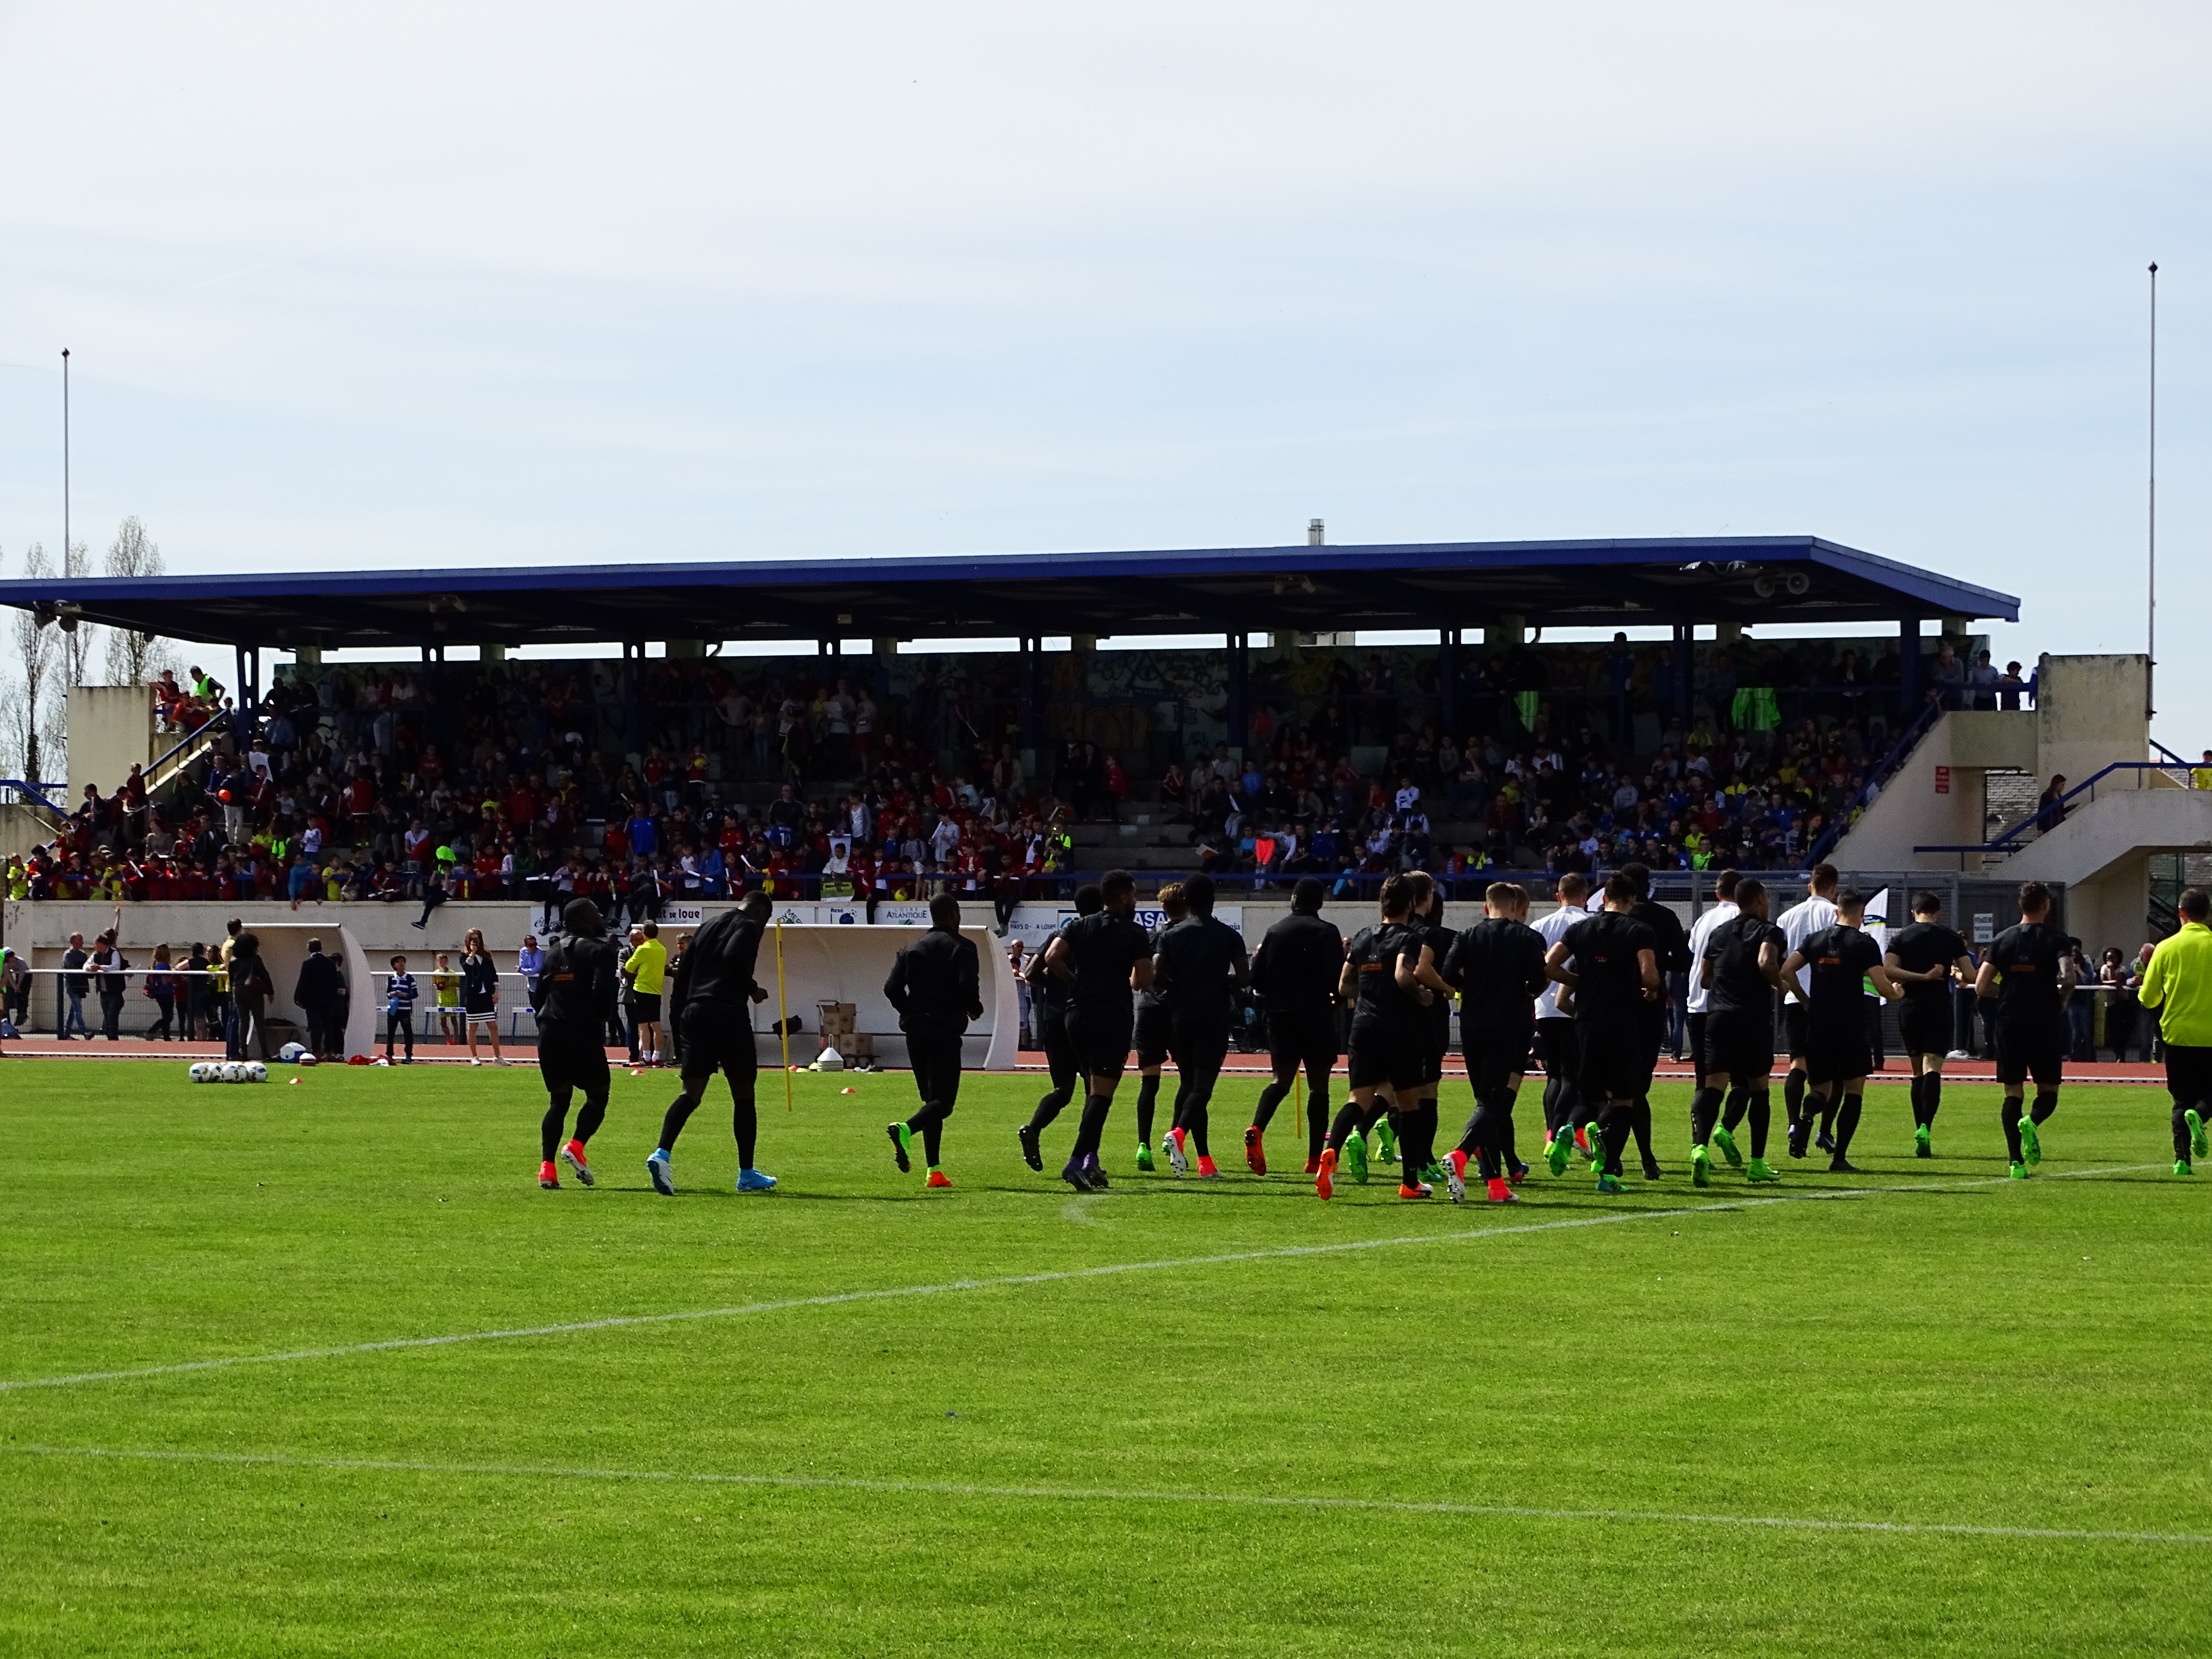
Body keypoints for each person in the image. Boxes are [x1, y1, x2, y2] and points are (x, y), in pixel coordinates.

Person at [647, 890, 778, 1195]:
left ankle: (662, 1154)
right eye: (766, 921)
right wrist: (752, 989)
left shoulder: (708, 926)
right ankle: (747, 1175)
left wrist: (680, 1016)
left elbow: (684, 973)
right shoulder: (747, 926)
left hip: (694, 1012)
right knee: (744, 1093)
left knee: (690, 1093)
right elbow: (733, 956)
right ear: (761, 912)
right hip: (727, 1012)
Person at [1039, 868, 1155, 1192]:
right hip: (1111, 1015)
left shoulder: (1078, 926)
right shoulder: (1134, 933)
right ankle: (1077, 1161)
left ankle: (1091, 1162)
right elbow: (1143, 979)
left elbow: (1052, 958)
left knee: (1094, 1092)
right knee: (1101, 1095)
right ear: (1122, 897)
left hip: (1076, 1014)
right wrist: (1129, 979)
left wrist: (1075, 982)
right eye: (1133, 894)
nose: (1136, 900)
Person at [1545, 873, 1660, 1194]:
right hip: (1621, 1022)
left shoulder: (1581, 928)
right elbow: (1650, 977)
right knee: (1624, 1100)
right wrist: (1648, 991)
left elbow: (1551, 966)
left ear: (1603, 898)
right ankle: (1608, 1176)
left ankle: (1569, 1128)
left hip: (1585, 1023)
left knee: (1589, 1097)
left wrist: (1584, 984)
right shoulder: (1639, 931)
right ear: (1632, 900)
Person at [1316, 874, 1429, 1201]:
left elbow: (1344, 985)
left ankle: (1331, 1151)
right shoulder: (1410, 938)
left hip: (1364, 1027)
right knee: (1408, 1104)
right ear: (1410, 904)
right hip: (1399, 1027)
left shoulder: (1364, 937)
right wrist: (1420, 995)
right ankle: (1410, 1183)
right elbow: (1402, 975)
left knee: (1357, 1099)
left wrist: (1368, 993)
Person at [1781, 887, 1908, 1173]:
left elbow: (1787, 970)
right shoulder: (1864, 944)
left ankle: (1805, 1118)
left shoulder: (1815, 940)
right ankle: (1839, 1158)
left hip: (1819, 1023)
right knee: (1854, 1089)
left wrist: (1805, 1000)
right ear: (1861, 915)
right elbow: (1881, 984)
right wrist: (1897, 994)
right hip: (1850, 1024)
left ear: (1837, 912)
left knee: (1820, 1088)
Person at [1440, 881, 1548, 1204]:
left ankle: (1496, 1183)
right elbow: (1539, 979)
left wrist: (1469, 986)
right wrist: (1525, 993)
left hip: (1473, 1025)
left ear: (1487, 907)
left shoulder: (1468, 935)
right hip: (1509, 1026)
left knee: (1484, 1101)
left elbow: (1448, 974)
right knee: (1493, 1103)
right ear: (1515, 907)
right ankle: (1460, 1154)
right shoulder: (1527, 938)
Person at [1975, 880, 2077, 1179]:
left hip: (2009, 1023)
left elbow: (1982, 986)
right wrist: (2059, 1001)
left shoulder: (2003, 940)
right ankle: (2032, 1122)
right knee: (2048, 1089)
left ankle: (2015, 1162)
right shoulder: (2057, 939)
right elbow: (2068, 977)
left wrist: (2007, 995)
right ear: (2046, 905)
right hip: (2043, 1020)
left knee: (2012, 1092)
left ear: (2021, 906)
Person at [1150, 873, 1249, 1180]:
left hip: (1180, 1015)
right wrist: (1222, 983)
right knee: (1203, 1088)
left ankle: (1205, 1160)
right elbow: (1245, 978)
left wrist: (1179, 985)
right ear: (1214, 900)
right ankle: (1179, 1133)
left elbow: (1156, 976)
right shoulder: (1228, 936)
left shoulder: (1171, 936)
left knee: (1190, 1084)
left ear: (1187, 901)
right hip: (1214, 1015)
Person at [1691, 877, 1789, 1185]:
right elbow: (1765, 961)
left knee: (1713, 1087)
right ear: (1760, 899)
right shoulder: (1769, 931)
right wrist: (1779, 984)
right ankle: (1757, 1162)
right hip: (1752, 1018)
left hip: (1719, 1016)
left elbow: (1705, 978)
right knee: (1759, 1089)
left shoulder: (1719, 933)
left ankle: (1700, 1149)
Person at [883, 892, 983, 1189]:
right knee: (944, 1103)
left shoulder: (911, 949)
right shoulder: (963, 947)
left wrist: (912, 1011)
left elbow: (891, 989)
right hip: (944, 1028)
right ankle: (905, 1129)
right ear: (954, 915)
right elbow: (967, 984)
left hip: (915, 1031)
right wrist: (973, 1007)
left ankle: (934, 1170)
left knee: (930, 1101)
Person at [1246, 876, 1344, 1176]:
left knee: (1281, 1081)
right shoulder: (1327, 933)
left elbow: (1257, 980)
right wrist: (1333, 1000)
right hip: (1315, 1015)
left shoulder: (1275, 932)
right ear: (1320, 903)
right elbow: (1337, 979)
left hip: (1280, 1016)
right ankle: (1315, 1158)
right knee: (1319, 1089)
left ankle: (1257, 1127)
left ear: (1294, 899)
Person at [1016, 885, 1104, 1172]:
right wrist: (1074, 983)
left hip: (1053, 1019)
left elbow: (1030, 974)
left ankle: (1034, 1128)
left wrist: (1056, 983)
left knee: (1063, 1090)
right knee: (1096, 1091)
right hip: (1084, 1019)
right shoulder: (1096, 937)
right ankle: (1089, 1157)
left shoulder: (1059, 936)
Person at [536, 899, 621, 1189]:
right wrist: (603, 1019)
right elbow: (603, 989)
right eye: (597, 912)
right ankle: (576, 1145)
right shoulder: (602, 951)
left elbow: (539, 995)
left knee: (559, 1100)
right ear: (586, 918)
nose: (601, 916)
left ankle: (547, 1169)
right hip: (582, 1031)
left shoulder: (553, 951)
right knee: (598, 1096)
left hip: (550, 1031)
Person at [1885, 893, 1973, 1158]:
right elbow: (1970, 974)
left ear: (1914, 912)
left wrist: (1918, 977)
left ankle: (1918, 1128)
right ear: (1938, 912)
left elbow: (1888, 969)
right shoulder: (1950, 938)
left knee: (1916, 1072)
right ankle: (1926, 1127)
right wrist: (1954, 974)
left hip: (1910, 1006)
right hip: (1938, 1005)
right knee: (1933, 1066)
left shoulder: (1901, 937)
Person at [1622, 862, 1691, 1179]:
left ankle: (1608, 1150)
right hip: (1648, 1005)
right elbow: (1684, 959)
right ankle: (1645, 1158)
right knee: (1639, 1087)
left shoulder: (1609, 921)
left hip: (1611, 1007)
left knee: (1610, 1086)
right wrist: (1660, 960)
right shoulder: (1663, 917)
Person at [2138, 886, 2212, 1175]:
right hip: (2210, 1034)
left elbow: (2148, 997)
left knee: (2181, 1099)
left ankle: (2182, 1160)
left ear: (2181, 913)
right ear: (2207, 914)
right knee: (2209, 1092)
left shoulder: (2166, 947)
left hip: (2176, 1033)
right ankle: (2202, 1114)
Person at [1775, 862, 1842, 1147]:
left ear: (1809, 886)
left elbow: (1779, 960)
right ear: (1833, 888)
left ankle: (1793, 1124)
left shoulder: (1785, 917)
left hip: (1794, 997)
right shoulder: (1834, 915)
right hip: (1826, 1000)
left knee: (1797, 1065)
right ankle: (1823, 1130)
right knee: (1832, 1073)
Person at [1129, 883, 1190, 1171]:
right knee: (1189, 1080)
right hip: (1179, 1012)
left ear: (1163, 908)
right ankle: (1175, 1133)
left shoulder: (1150, 938)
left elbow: (1135, 981)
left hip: (1149, 1011)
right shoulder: (1190, 937)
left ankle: (1144, 1145)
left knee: (1149, 1083)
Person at [1533, 873, 1592, 1169]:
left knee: (1554, 1075)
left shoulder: (1539, 926)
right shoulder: (1589, 924)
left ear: (1558, 896)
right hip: (1576, 1008)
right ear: (1586, 895)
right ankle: (1564, 1135)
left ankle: (1552, 1135)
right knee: (1575, 1078)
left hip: (1544, 1007)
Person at [1683, 870, 1743, 1092]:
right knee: (1740, 1079)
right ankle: (1727, 1125)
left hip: (1698, 1004)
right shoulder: (1742, 917)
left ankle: (1700, 1125)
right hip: (1728, 1005)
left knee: (1704, 1080)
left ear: (1718, 894)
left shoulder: (1703, 919)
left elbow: (1693, 953)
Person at [625, 920, 669, 1067]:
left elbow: (629, 967)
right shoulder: (662, 949)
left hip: (642, 989)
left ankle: (646, 1057)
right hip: (656, 989)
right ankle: (657, 1056)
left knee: (643, 1026)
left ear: (644, 934)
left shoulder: (643, 949)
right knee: (656, 1024)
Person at [461, 928, 507, 1066]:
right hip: (473, 995)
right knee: (473, 1025)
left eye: (477, 940)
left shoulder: (487, 956)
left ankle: (497, 1056)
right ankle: (474, 1056)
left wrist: (496, 990)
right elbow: (467, 969)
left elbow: (493, 973)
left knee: (492, 1025)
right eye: (472, 940)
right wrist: (472, 955)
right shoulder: (464, 955)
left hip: (486, 994)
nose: (475, 943)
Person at [294, 937, 343, 1060]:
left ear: (309, 948)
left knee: (315, 1026)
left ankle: (316, 1051)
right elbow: (334, 983)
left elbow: (303, 983)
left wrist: (299, 998)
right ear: (321, 948)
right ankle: (328, 1052)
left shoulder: (308, 963)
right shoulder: (330, 963)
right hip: (327, 1000)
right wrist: (332, 998)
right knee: (328, 1026)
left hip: (312, 1001)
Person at [229, 931, 276, 1062]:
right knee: (259, 1023)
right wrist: (270, 992)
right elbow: (265, 975)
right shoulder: (255, 960)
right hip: (253, 991)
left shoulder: (234, 961)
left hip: (238, 991)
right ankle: (265, 1053)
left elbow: (231, 978)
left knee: (243, 1023)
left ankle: (243, 1052)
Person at [55, 932, 90, 1040]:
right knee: (78, 1010)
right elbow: (73, 969)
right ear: (73, 942)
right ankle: (85, 1032)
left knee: (73, 1010)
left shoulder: (83, 954)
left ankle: (65, 1034)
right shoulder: (68, 955)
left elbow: (87, 966)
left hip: (81, 986)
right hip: (72, 986)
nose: (82, 942)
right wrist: (83, 970)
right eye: (80, 940)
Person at [384, 955, 419, 1063]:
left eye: (403, 962)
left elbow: (415, 994)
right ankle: (389, 1055)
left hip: (405, 1010)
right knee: (391, 1033)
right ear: (394, 965)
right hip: (394, 1010)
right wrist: (392, 994)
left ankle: (408, 1055)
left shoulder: (409, 978)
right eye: (399, 962)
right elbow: (388, 993)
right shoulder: (391, 978)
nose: (402, 964)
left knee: (408, 1033)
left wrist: (404, 995)